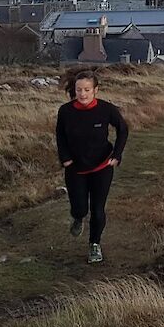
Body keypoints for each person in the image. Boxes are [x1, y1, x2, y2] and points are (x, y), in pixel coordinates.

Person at [54, 68, 129, 264]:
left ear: (95, 90)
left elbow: (123, 129)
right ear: (75, 90)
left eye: (87, 90)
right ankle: (78, 218)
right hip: (75, 168)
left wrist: (117, 154)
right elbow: (60, 136)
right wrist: (65, 157)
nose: (83, 94)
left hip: (101, 166)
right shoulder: (65, 111)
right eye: (79, 90)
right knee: (79, 208)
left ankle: (94, 244)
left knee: (97, 209)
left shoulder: (106, 109)